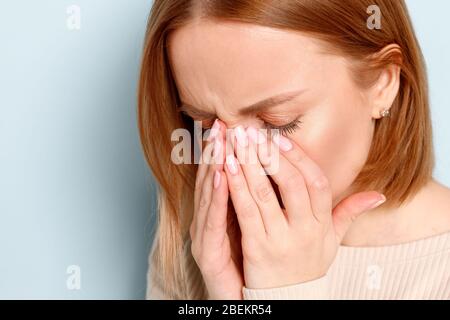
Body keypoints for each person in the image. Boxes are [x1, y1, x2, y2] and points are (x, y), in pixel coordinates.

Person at [137, 0, 450, 299]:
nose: (240, 159)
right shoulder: (198, 239)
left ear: (382, 83)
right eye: (205, 124)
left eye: (277, 123)